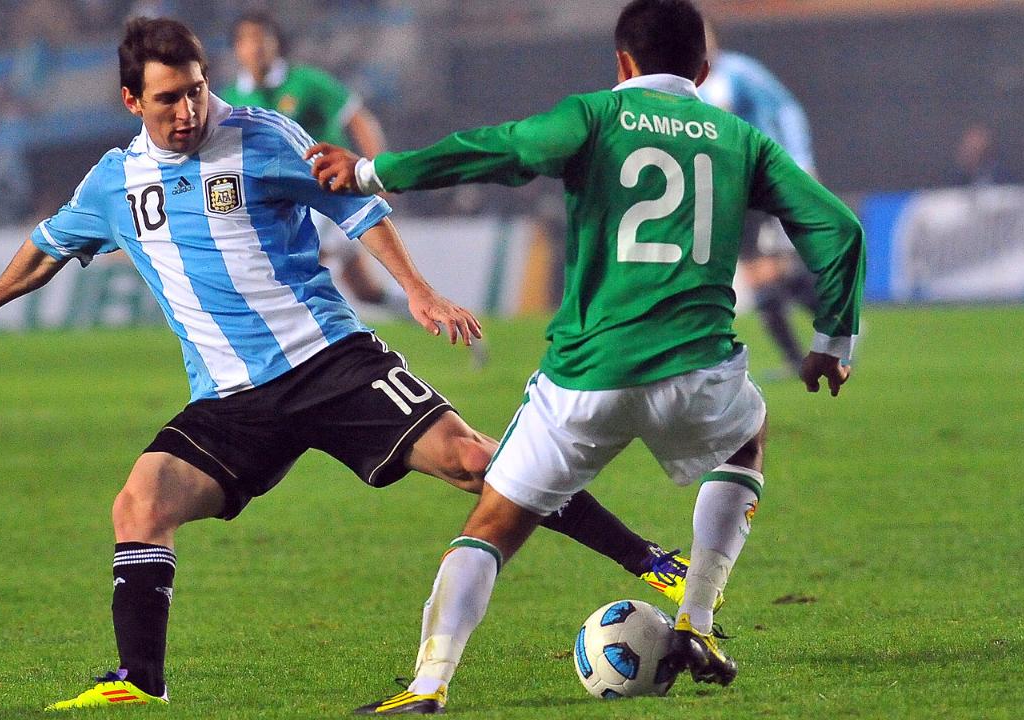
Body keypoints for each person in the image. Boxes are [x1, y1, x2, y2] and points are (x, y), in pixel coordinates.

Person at [0, 17, 702, 711]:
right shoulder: (114, 182)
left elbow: (357, 207)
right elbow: (47, 246)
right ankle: (138, 682)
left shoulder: (261, 136)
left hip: (328, 360)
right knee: (140, 505)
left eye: (196, 90)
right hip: (230, 399)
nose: (189, 110)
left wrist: (418, 291)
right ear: (131, 100)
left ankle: (652, 562)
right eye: (169, 98)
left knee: (475, 461)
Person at [309, 0, 864, 713]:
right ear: (702, 69)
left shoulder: (596, 115)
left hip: (587, 377)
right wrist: (832, 342)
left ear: (622, 63)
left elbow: (504, 150)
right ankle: (696, 618)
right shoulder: (740, 140)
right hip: (698, 372)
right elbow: (837, 226)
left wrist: (370, 171)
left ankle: (428, 684)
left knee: (493, 525)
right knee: (745, 440)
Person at [218, 10, 398, 314]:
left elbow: (357, 118)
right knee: (366, 291)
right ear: (237, 49)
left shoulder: (306, 82)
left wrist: (378, 171)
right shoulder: (230, 98)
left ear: (277, 43)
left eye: (263, 38)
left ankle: (326, 332)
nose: (256, 46)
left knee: (300, 267)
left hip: (326, 190)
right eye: (247, 40)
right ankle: (429, 314)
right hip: (279, 202)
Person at [702, 24, 826, 377]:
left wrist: (801, 161)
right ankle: (804, 354)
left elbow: (785, 108)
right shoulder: (688, 86)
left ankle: (837, 327)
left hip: (762, 183)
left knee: (766, 272)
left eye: (706, 36)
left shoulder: (740, 72)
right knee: (765, 275)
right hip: (727, 193)